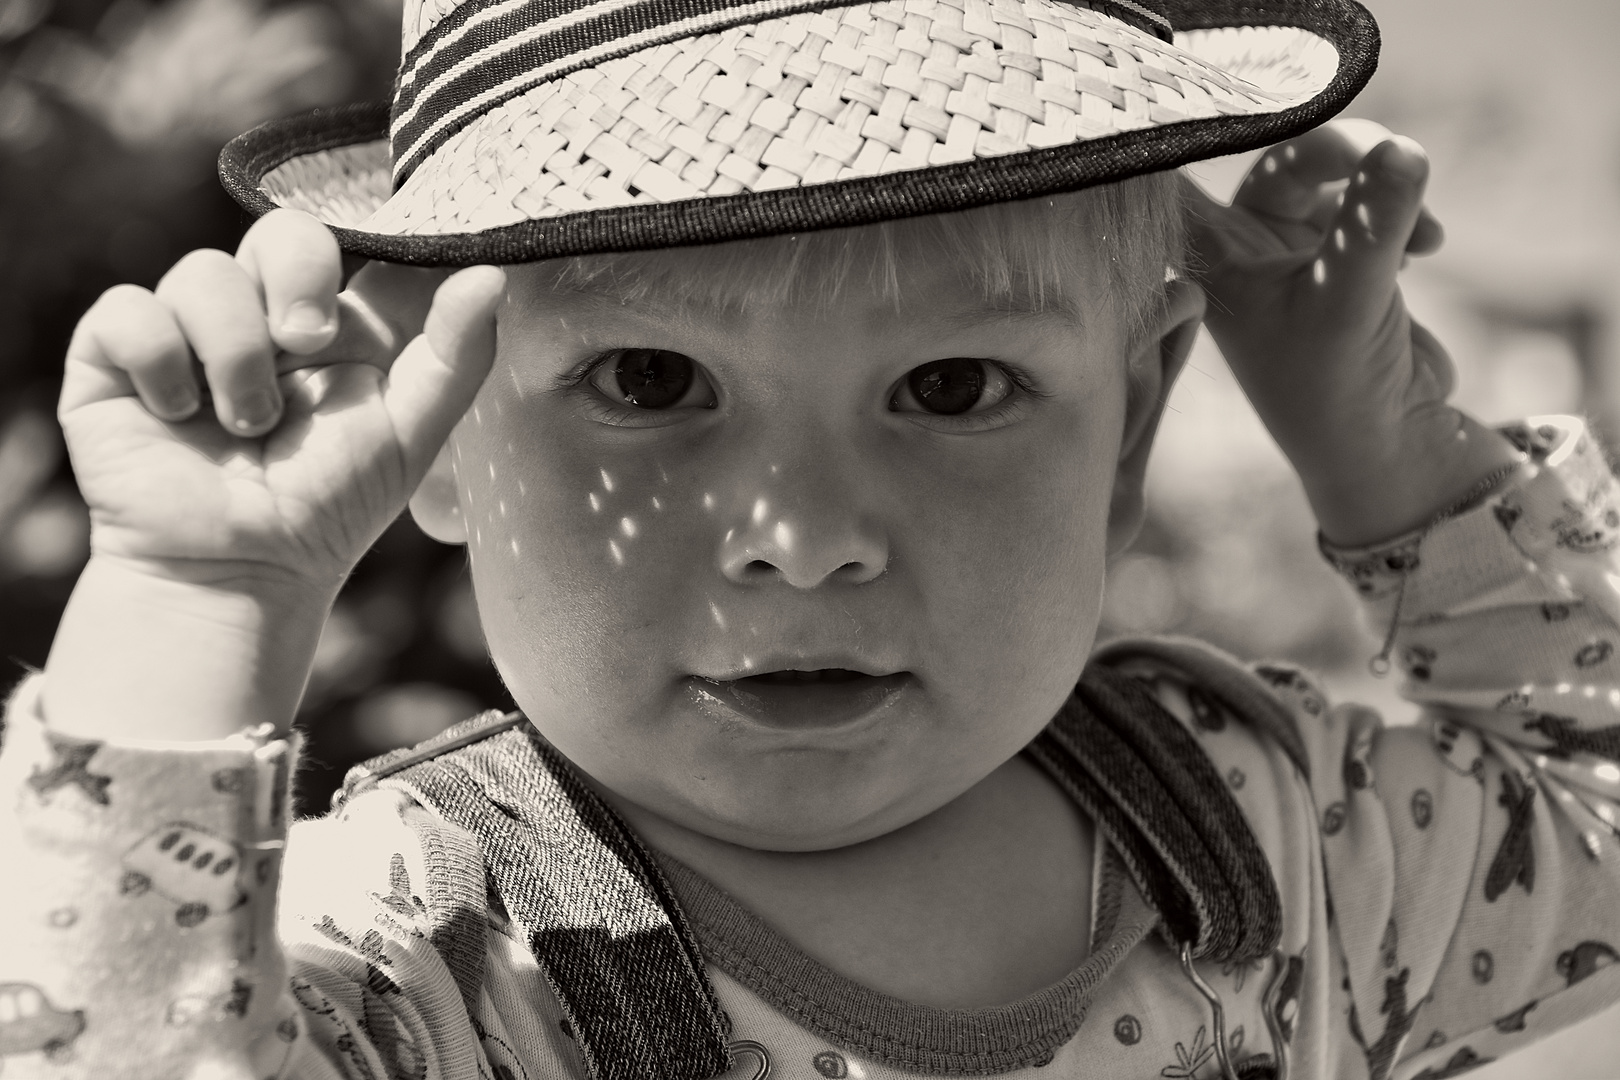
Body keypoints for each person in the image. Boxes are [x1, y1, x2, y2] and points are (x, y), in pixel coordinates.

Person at [3, 0, 1619, 1077]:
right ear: (440, 429)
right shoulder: (432, 956)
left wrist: (1385, 445)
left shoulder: (1272, 834)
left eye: (953, 383)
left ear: (1128, 427)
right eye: (649, 381)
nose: (805, 540)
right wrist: (196, 598)